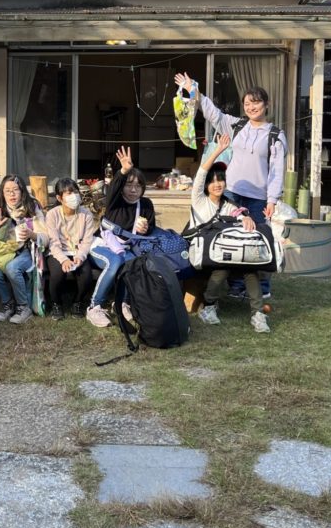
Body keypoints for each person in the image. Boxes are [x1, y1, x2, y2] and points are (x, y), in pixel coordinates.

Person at [174, 71, 286, 298]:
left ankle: (262, 288)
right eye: (247, 103)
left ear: (266, 105)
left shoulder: (275, 135)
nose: (251, 107)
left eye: (256, 102)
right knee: (231, 238)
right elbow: (213, 114)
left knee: (259, 240)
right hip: (232, 193)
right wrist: (193, 90)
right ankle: (236, 286)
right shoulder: (237, 125)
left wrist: (272, 200)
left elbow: (276, 172)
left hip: (258, 198)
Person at [191, 134, 269, 333]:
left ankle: (258, 314)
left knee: (250, 266)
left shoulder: (228, 205)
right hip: (202, 253)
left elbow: (239, 214)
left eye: (221, 180)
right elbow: (201, 172)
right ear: (206, 185)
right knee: (224, 265)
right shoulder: (199, 200)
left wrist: (246, 218)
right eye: (212, 181)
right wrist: (218, 150)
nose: (217, 184)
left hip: (222, 252)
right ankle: (208, 306)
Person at [86, 146, 156, 327]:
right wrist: (124, 170)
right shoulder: (114, 201)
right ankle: (94, 307)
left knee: (133, 263)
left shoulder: (145, 204)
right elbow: (113, 187)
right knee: (116, 262)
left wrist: (145, 229)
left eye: (138, 186)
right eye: (129, 185)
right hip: (102, 246)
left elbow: (150, 228)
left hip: (124, 248)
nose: (133, 190)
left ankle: (123, 303)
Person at [0, 175, 47, 325]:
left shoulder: (32, 207)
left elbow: (45, 238)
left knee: (12, 268)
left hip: (27, 251)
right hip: (5, 253)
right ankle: (8, 305)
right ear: (2, 193)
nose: (12, 194)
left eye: (15, 190)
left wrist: (32, 234)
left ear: (22, 191)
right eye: (7, 191)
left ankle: (23, 307)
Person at [44, 178, 97, 320]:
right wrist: (63, 260)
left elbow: (87, 240)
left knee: (86, 275)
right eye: (68, 193)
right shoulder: (52, 214)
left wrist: (80, 256)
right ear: (59, 198)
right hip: (57, 252)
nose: (74, 196)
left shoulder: (86, 214)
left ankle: (77, 302)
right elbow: (53, 242)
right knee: (57, 274)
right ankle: (56, 304)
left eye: (75, 192)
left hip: (78, 252)